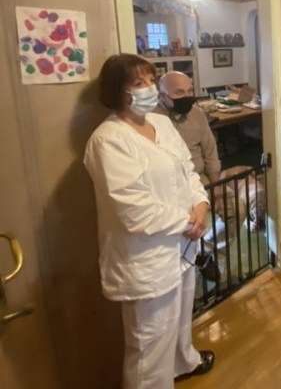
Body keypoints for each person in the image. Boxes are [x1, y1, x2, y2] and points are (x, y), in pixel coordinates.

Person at [83, 54, 215, 388]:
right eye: (138, 83)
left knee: (181, 318)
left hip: (183, 245)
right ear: (118, 91)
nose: (149, 88)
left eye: (151, 80)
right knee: (148, 342)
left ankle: (183, 361)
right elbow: (130, 206)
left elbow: (188, 170)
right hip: (147, 257)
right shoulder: (108, 139)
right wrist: (187, 221)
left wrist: (200, 203)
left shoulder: (164, 125)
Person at [155, 71, 247, 288]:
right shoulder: (152, 119)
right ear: (162, 95)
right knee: (184, 222)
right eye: (179, 92)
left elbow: (211, 153)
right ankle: (184, 261)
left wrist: (215, 187)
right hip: (170, 183)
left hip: (201, 177)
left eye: (189, 91)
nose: (186, 96)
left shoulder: (197, 114)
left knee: (236, 208)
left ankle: (205, 253)